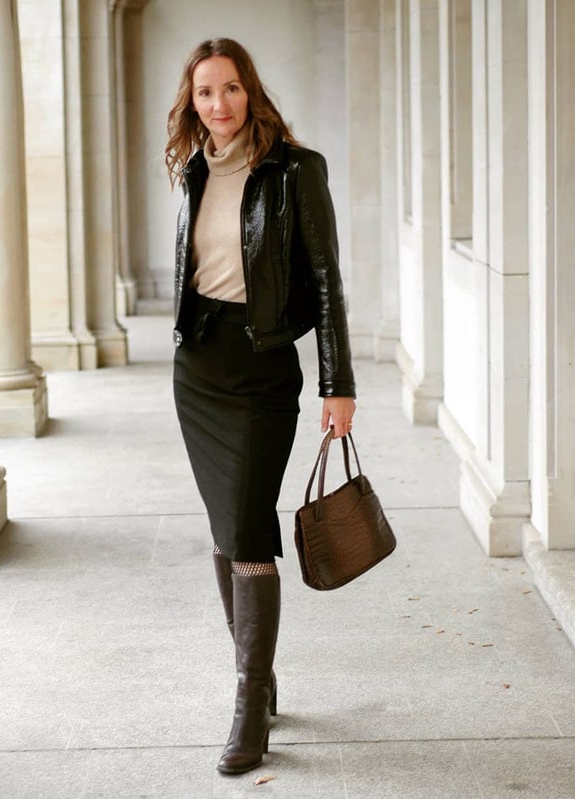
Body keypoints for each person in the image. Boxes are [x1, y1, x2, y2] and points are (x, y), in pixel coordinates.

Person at [165, 38, 356, 775]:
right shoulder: (190, 170)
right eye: (207, 92)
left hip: (263, 369)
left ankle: (249, 702)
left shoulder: (297, 172)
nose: (220, 104)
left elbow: (326, 279)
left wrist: (338, 382)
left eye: (233, 88)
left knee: (248, 528)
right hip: (198, 370)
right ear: (193, 101)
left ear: (253, 93)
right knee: (227, 524)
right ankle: (259, 669)